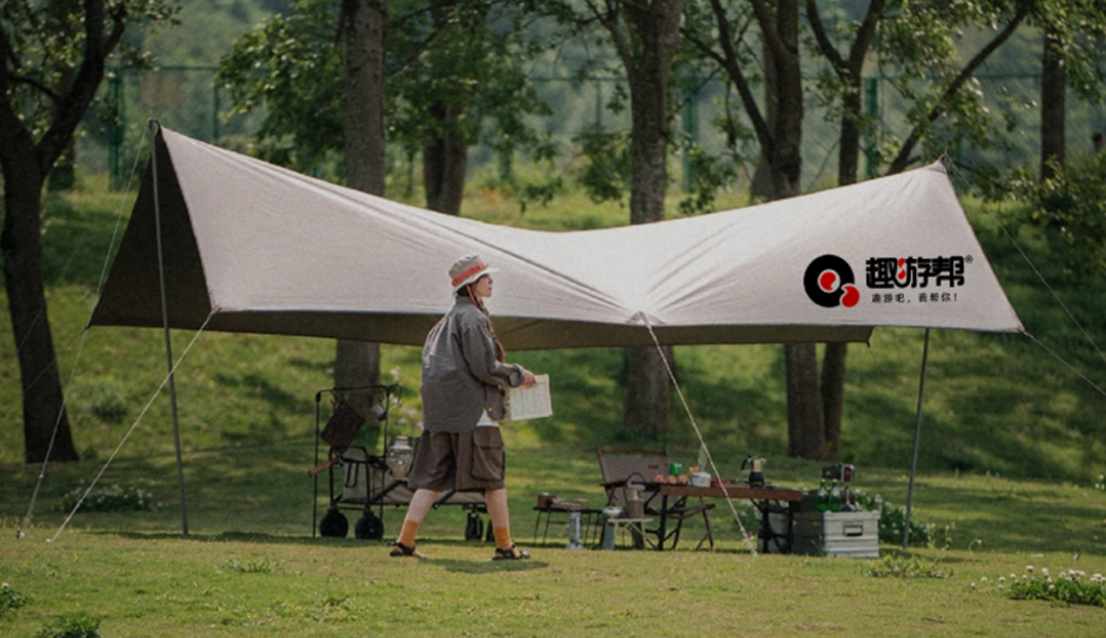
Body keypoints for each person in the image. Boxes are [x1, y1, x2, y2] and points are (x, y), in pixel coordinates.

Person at [390, 254, 538, 560]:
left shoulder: (443, 323)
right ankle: (504, 546)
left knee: (431, 479)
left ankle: (404, 543)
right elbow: (484, 366)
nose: (491, 281)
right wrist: (518, 375)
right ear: (472, 285)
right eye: (486, 278)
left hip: (440, 414)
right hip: (473, 411)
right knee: (493, 479)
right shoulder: (472, 318)